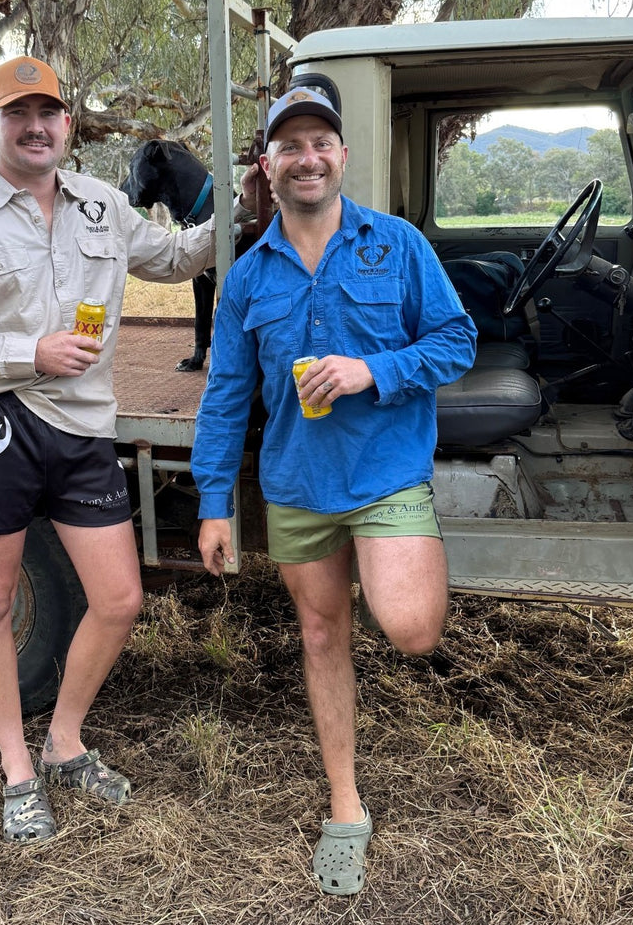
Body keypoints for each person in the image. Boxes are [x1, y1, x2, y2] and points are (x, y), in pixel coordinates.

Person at [0, 56, 217, 843]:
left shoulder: (103, 205)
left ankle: (64, 739)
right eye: (18, 113)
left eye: (49, 113)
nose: (35, 127)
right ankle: (16, 769)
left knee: (119, 599)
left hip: (81, 425)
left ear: (68, 123)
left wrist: (237, 213)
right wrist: (26, 353)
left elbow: (175, 260)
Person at [192, 88, 477, 895]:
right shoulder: (247, 279)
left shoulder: (398, 246)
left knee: (414, 627)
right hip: (299, 485)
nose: (307, 157)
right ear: (268, 166)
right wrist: (214, 500)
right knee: (321, 635)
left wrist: (373, 370)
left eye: (321, 141)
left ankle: (389, 555)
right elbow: (223, 395)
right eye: (290, 146)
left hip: (384, 472)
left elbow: (456, 339)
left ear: (342, 156)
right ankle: (345, 806)